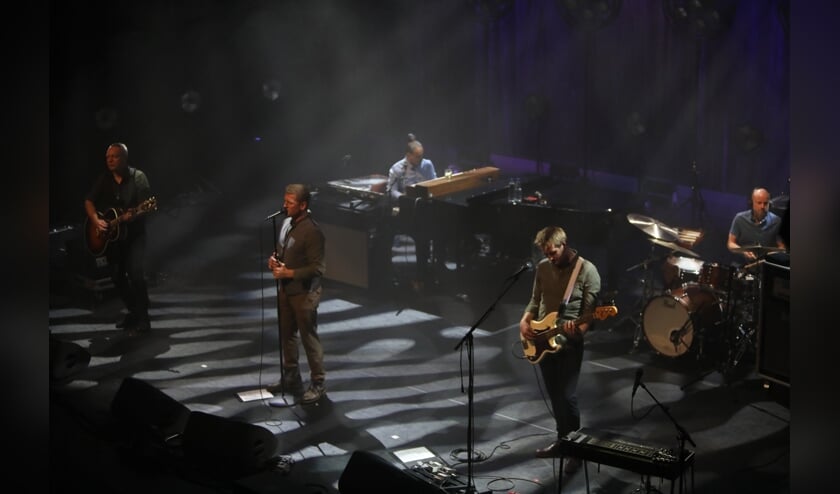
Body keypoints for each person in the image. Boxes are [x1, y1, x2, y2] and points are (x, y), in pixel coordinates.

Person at [518, 227, 601, 474]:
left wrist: (580, 330)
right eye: (546, 253)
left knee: (567, 396)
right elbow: (535, 300)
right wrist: (525, 321)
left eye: (553, 252)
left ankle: (575, 450)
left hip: (569, 343)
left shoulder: (587, 271)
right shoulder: (543, 267)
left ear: (564, 244)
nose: (550, 257)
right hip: (542, 339)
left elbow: (590, 313)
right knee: (554, 394)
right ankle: (561, 441)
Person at [266, 183, 327, 404]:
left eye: (290, 203)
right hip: (286, 289)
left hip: (305, 293)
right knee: (287, 334)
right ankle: (291, 375)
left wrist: (288, 272)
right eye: (285, 201)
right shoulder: (285, 224)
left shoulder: (312, 231)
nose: (285, 206)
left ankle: (318, 382)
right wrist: (274, 259)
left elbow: (318, 268)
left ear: (303, 205)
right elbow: (282, 249)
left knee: (308, 338)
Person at [84, 142, 153, 332]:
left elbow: (147, 206)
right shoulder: (104, 179)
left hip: (135, 236)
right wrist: (96, 220)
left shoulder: (138, 177)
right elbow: (89, 201)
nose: (110, 160)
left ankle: (144, 319)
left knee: (136, 274)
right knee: (116, 276)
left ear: (124, 158)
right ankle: (133, 312)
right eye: (108, 157)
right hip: (116, 239)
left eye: (114, 156)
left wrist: (135, 214)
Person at [385, 133, 438, 291]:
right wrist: (404, 198)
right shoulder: (397, 169)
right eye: (417, 156)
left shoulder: (427, 165)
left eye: (422, 156)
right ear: (408, 155)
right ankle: (390, 274)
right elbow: (390, 191)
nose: (420, 159)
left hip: (425, 209)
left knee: (426, 237)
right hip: (407, 210)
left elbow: (434, 183)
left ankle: (426, 273)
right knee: (386, 230)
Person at [727, 187, 786, 262]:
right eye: (759, 203)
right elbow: (731, 243)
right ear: (752, 203)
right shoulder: (740, 218)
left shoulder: (777, 221)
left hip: (766, 266)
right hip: (742, 264)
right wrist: (743, 252)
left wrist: (770, 255)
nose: (762, 206)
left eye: (765, 203)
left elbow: (782, 247)